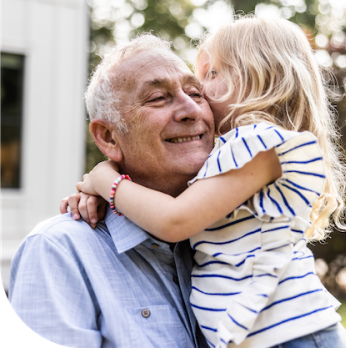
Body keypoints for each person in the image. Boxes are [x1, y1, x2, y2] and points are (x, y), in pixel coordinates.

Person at [74, 17, 346, 348]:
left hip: (289, 336)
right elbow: (161, 181)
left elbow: (174, 219)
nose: (201, 94)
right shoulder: (234, 150)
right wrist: (105, 193)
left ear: (258, 79)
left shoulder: (259, 145)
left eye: (211, 75)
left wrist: (107, 179)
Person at [8, 34, 214, 348]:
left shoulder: (238, 230)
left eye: (196, 93)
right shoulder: (60, 251)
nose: (190, 110)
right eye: (158, 97)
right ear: (108, 138)